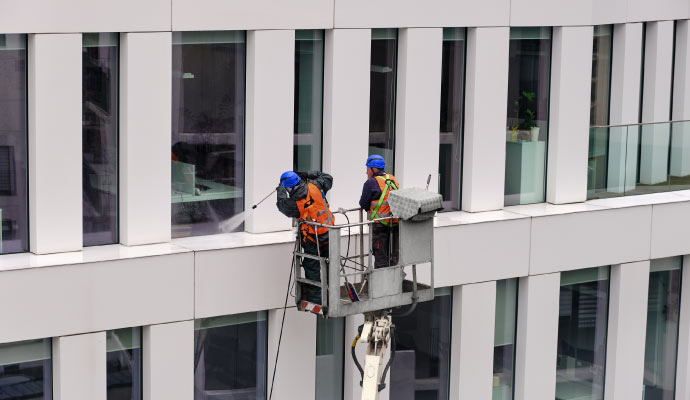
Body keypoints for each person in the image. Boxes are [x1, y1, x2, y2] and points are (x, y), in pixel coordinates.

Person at [276, 170, 334, 305]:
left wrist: (280, 189)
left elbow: (281, 205)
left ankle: (316, 299)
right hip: (329, 233)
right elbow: (327, 177)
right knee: (331, 265)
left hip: (312, 239)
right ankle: (332, 295)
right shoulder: (315, 186)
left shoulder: (295, 204)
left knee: (312, 268)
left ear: (288, 188)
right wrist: (307, 174)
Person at [359, 155, 399, 268]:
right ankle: (393, 283)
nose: (366, 172)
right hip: (395, 225)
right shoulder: (392, 179)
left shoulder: (371, 183)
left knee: (381, 259)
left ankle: (382, 285)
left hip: (379, 227)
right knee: (394, 258)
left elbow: (363, 204)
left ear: (374, 169)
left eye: (367, 169)